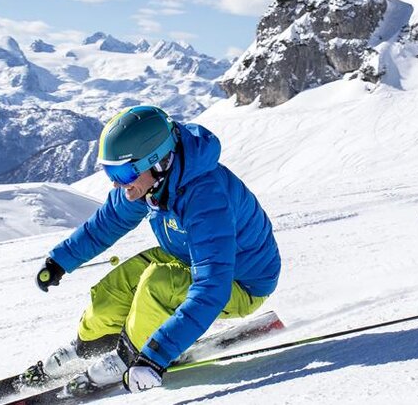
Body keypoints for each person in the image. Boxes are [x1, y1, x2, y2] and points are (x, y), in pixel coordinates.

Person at [23, 105, 281, 395]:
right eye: (109, 171)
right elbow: (107, 222)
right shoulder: (147, 184)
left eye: (122, 171)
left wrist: (156, 356)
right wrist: (60, 260)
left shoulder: (206, 198)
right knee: (116, 288)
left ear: (158, 162)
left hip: (241, 281)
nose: (116, 182)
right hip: (187, 256)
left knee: (158, 284)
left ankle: (127, 357)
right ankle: (86, 347)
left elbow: (213, 288)